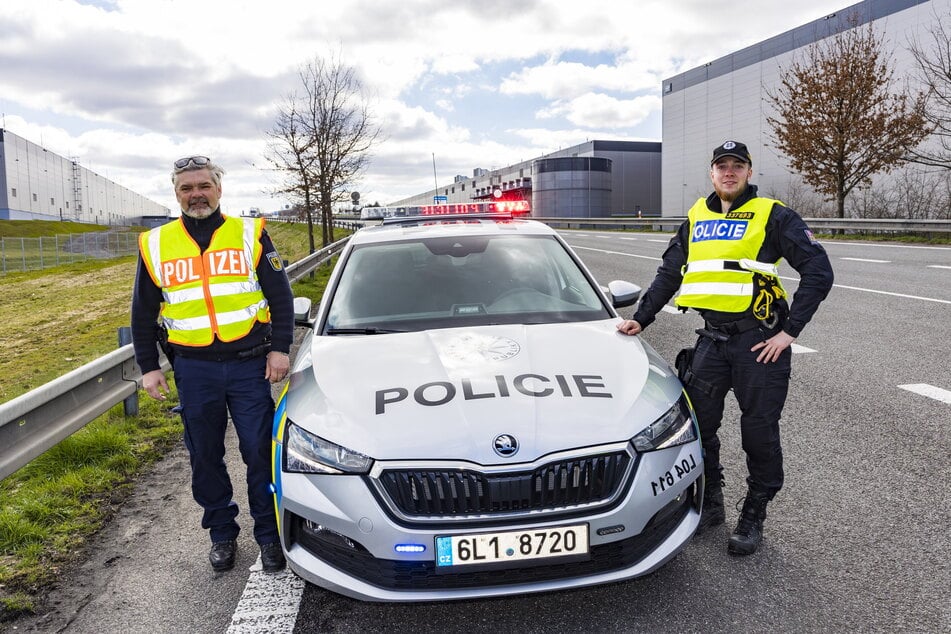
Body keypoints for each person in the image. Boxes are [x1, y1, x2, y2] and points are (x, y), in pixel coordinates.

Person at [617, 141, 833, 556]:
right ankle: (711, 502)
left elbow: (819, 272)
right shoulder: (697, 217)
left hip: (759, 343)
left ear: (749, 172)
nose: (729, 172)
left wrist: (789, 332)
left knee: (758, 432)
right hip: (712, 340)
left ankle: (754, 513)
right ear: (711, 173)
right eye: (722, 166)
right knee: (699, 428)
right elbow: (669, 273)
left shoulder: (774, 215)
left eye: (737, 166)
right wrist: (640, 318)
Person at [131, 156, 294, 573]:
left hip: (248, 364)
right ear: (176, 193)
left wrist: (280, 348)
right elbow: (143, 312)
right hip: (194, 368)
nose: (196, 195)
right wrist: (150, 367)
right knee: (204, 455)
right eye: (186, 188)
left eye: (203, 186)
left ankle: (269, 535)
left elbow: (280, 296)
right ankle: (221, 532)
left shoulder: (249, 233)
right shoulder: (155, 243)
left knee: (260, 452)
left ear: (219, 189)